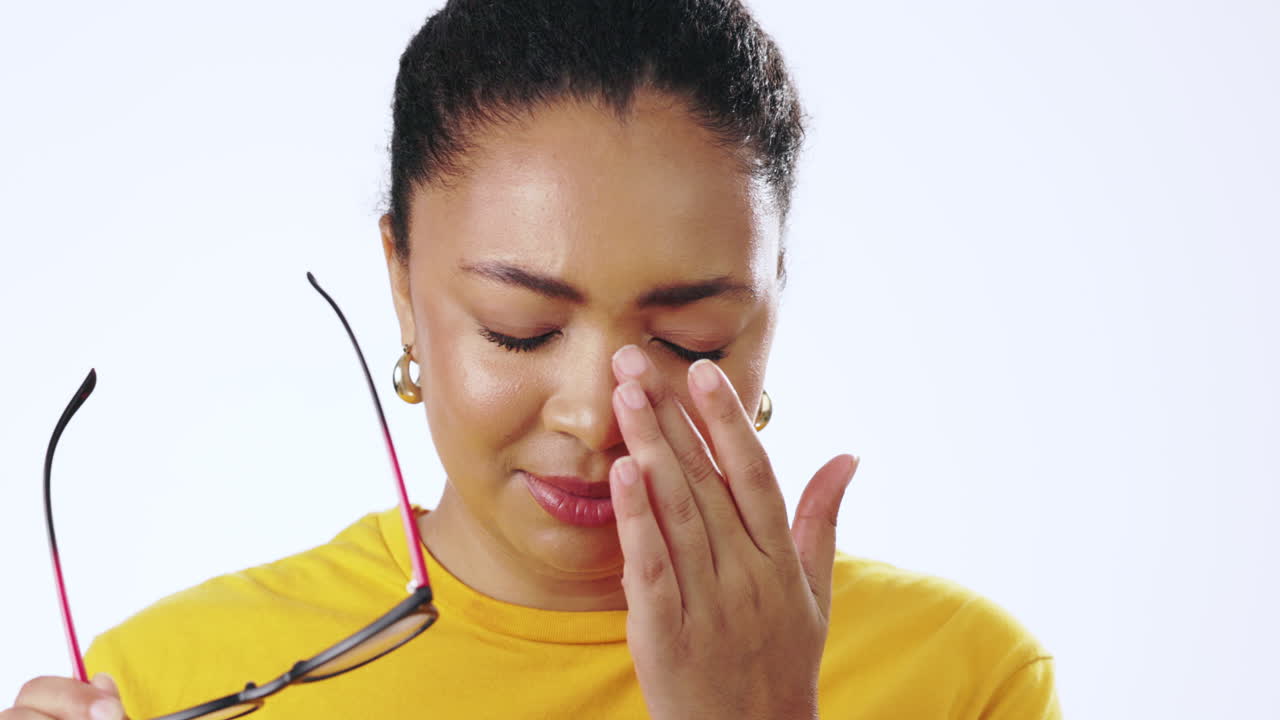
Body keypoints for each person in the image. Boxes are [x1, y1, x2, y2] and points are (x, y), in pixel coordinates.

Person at [5, 1, 1062, 718]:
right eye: (518, 327)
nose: (598, 419)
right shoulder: (166, 684)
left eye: (688, 338)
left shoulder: (957, 679)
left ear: (771, 305)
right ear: (400, 283)